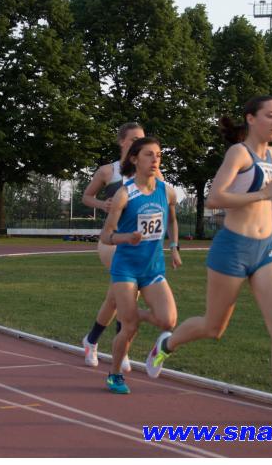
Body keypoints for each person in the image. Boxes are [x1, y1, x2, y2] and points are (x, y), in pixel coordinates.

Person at [145, 96, 272, 426]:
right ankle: (166, 343)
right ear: (251, 119)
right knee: (214, 327)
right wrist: (263, 195)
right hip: (232, 248)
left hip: (265, 249)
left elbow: (262, 197)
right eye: (270, 115)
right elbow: (215, 198)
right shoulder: (239, 153)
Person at [100, 137, 180, 394]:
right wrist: (126, 237)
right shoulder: (124, 194)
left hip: (152, 268)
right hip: (126, 268)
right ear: (135, 159)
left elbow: (172, 221)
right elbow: (106, 236)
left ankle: (151, 340)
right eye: (149, 154)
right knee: (130, 327)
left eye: (159, 155)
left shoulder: (167, 191)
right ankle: (114, 374)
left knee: (168, 321)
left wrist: (174, 246)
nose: (155, 159)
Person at [80, 122, 157, 372]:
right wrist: (103, 205)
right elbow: (86, 196)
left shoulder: (151, 172)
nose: (139, 143)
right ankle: (119, 350)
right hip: (112, 241)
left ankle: (92, 340)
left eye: (142, 139)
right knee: (127, 294)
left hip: (139, 243)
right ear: (122, 142)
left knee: (115, 298)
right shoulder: (108, 171)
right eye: (134, 139)